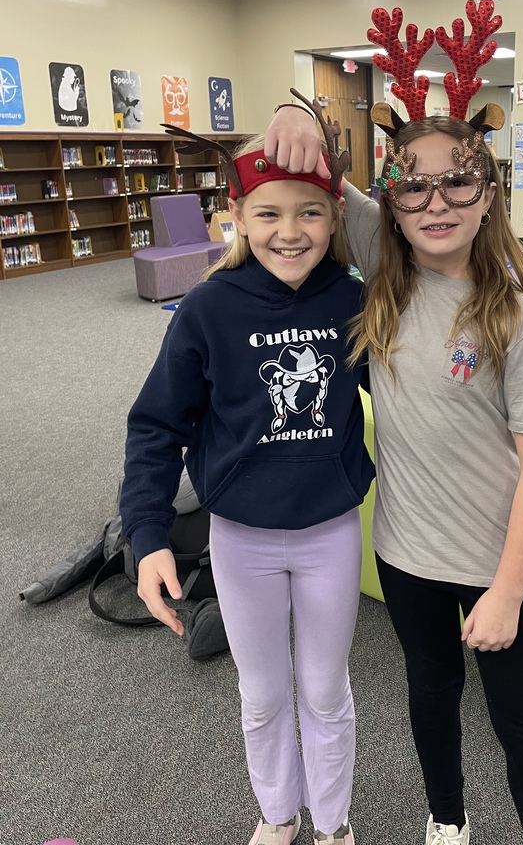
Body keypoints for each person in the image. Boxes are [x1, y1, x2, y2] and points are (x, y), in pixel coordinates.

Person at [265, 63, 523, 843]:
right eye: (414, 187)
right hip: (405, 557)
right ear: (393, 205)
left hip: (497, 565)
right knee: (430, 698)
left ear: (489, 194)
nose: (435, 203)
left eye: (458, 184)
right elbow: (303, 161)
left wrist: (506, 593)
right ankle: (446, 820)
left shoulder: (518, 321)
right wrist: (288, 111)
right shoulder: (385, 261)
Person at [119, 131, 374, 845]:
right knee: (262, 696)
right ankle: (278, 813)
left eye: (310, 213)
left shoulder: (355, 300)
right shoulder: (208, 308)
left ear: (335, 216)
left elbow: (426, 376)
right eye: (268, 214)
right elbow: (154, 426)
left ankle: (331, 821)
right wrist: (146, 538)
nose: (290, 233)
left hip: (330, 531)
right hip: (241, 539)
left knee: (326, 692)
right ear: (236, 214)